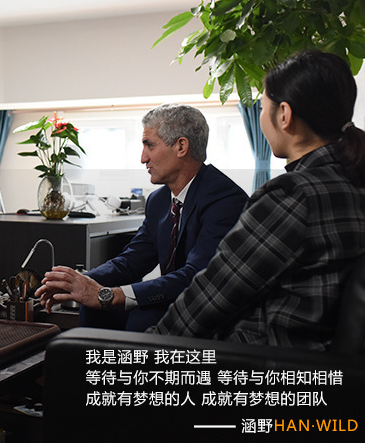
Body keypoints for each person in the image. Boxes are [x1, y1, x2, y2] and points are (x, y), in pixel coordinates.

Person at [152, 51, 365, 349]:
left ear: (284, 115)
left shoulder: (292, 195)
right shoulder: (360, 191)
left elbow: (213, 296)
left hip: (264, 361)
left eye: (262, 107)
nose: (261, 117)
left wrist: (146, 348)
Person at [35, 104, 248, 331]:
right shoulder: (158, 200)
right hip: (175, 299)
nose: (143, 158)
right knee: (94, 307)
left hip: (207, 309)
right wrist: (77, 283)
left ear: (181, 146)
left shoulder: (225, 199)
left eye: (150, 145)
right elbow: (131, 261)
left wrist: (109, 295)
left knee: (140, 317)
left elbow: (196, 276)